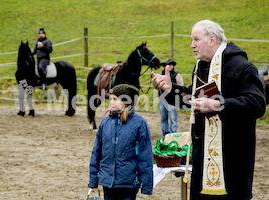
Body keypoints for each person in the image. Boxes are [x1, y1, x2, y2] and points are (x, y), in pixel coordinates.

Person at [151, 20, 266, 200]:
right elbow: (193, 100)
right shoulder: (201, 67)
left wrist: (219, 105)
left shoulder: (242, 67)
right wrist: (169, 89)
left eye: (196, 39)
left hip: (232, 167)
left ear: (212, 39)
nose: (191, 45)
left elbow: (257, 104)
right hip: (202, 167)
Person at [88, 84, 153, 200]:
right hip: (107, 182)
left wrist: (146, 185)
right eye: (111, 99)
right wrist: (93, 179)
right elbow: (96, 152)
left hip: (129, 182)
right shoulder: (105, 122)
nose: (111, 102)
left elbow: (145, 155)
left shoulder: (139, 124)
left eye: (115, 99)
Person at [157, 59, 184, 136]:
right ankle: (165, 134)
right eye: (166, 65)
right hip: (162, 99)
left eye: (170, 65)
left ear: (172, 66)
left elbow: (181, 86)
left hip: (173, 99)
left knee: (173, 117)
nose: (168, 66)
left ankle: (172, 134)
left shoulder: (177, 75)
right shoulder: (161, 75)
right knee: (163, 117)